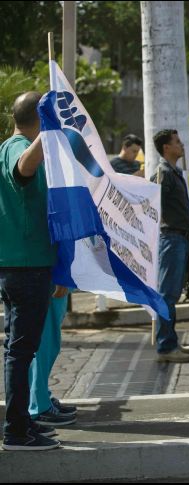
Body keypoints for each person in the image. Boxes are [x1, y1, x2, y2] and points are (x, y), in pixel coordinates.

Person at [1, 91, 62, 451]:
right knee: (21, 353)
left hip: (26, 267)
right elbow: (23, 167)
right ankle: (16, 432)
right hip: (26, 269)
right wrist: (48, 130)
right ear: (39, 120)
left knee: (20, 351)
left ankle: (22, 424)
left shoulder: (17, 143)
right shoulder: (16, 146)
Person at [150, 129, 189, 364]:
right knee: (166, 295)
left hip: (180, 238)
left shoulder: (173, 172)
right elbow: (151, 199)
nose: (182, 145)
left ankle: (171, 341)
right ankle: (166, 347)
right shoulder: (162, 173)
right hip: (171, 239)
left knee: (171, 293)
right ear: (166, 147)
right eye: (177, 142)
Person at [29, 292, 77, 427]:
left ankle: (39, 399)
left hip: (37, 278)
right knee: (44, 342)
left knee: (41, 342)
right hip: (44, 278)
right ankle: (38, 406)